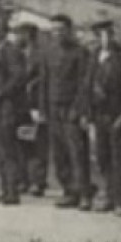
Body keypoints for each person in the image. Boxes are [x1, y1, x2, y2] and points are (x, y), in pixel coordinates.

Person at [81, 19, 121, 215]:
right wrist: (86, 112)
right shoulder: (93, 56)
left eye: (109, 34)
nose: (106, 38)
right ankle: (108, 195)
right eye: (101, 34)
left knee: (119, 158)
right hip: (98, 114)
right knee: (102, 157)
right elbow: (85, 86)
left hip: (116, 114)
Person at [40, 14, 91, 209]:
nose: (57, 34)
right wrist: (43, 109)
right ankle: (69, 191)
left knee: (77, 152)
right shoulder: (48, 52)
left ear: (70, 31)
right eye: (54, 30)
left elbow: (84, 84)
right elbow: (44, 82)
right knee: (59, 153)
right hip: (53, 109)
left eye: (61, 30)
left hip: (71, 109)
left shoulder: (80, 53)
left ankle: (85, 193)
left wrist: (78, 109)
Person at [0, 18, 31, 205]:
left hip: (8, 107)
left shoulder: (10, 52)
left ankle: (12, 191)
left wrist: (1, 92)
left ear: (3, 33)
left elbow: (18, 76)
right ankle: (3, 188)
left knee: (8, 149)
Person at [17, 24, 50, 196]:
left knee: (38, 144)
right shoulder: (18, 54)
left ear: (28, 35)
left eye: (19, 34)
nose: (17, 38)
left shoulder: (40, 54)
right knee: (21, 142)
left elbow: (43, 78)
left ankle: (38, 181)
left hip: (35, 104)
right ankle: (23, 180)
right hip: (20, 104)